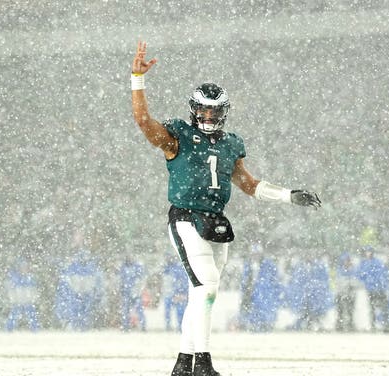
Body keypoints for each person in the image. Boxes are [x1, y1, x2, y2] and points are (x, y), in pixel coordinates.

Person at [130, 41, 321, 376]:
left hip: (216, 221)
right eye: (202, 110)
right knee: (206, 287)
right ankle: (202, 364)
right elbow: (144, 121)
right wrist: (137, 80)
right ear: (193, 110)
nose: (207, 116)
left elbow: (248, 184)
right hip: (186, 218)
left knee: (201, 293)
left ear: (223, 112)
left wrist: (289, 195)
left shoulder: (231, 142)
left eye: (213, 111)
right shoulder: (179, 136)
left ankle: (183, 364)